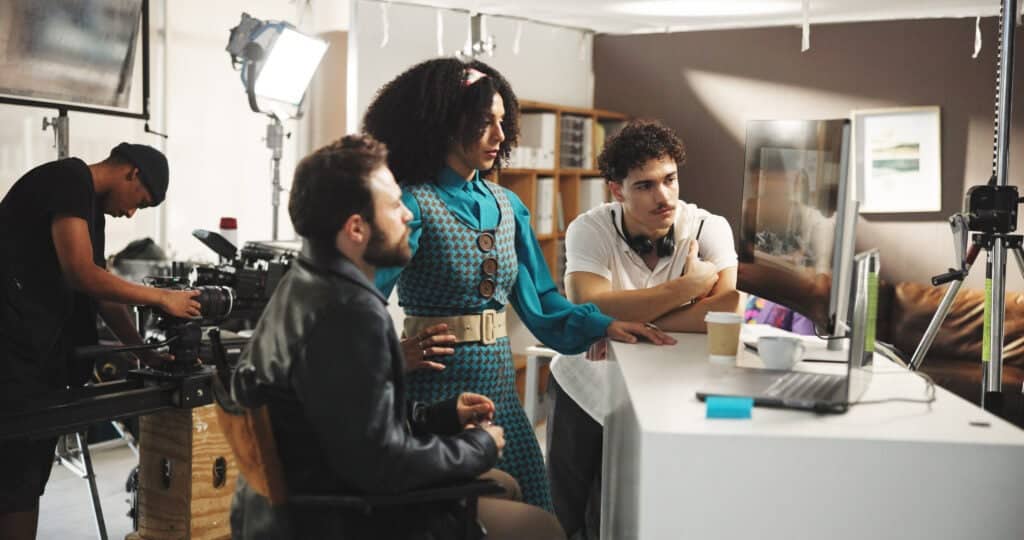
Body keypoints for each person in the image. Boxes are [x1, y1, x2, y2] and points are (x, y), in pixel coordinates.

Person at [364, 58, 672, 512]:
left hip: (502, 394)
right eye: (484, 122)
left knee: (536, 511)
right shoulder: (412, 203)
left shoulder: (508, 205)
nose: (500, 136)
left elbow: (542, 302)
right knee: (454, 521)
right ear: (446, 124)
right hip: (433, 397)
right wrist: (392, 355)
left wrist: (605, 325)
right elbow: (361, 300)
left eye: (502, 121)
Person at [229, 134, 564, 539]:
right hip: (335, 519)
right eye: (393, 206)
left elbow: (349, 415)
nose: (407, 215)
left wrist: (438, 415)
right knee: (540, 527)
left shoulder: (303, 286)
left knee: (507, 485)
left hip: (295, 499)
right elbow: (382, 463)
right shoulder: (351, 313)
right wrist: (477, 446)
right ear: (356, 229)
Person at [0, 143, 200, 540]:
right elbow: (81, 275)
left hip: (37, 362)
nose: (129, 213)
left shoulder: (88, 209)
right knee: (16, 482)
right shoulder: (68, 180)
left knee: (24, 482)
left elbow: (101, 294)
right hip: (12, 359)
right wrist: (162, 298)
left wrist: (146, 352)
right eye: (138, 204)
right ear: (132, 172)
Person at [551, 120, 740, 539]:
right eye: (645, 186)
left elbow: (726, 307)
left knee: (624, 500)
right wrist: (689, 288)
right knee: (568, 506)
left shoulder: (710, 227)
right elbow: (587, 302)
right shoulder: (590, 227)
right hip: (585, 377)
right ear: (616, 190)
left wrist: (619, 323)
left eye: (670, 179)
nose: (664, 196)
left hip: (665, 384)